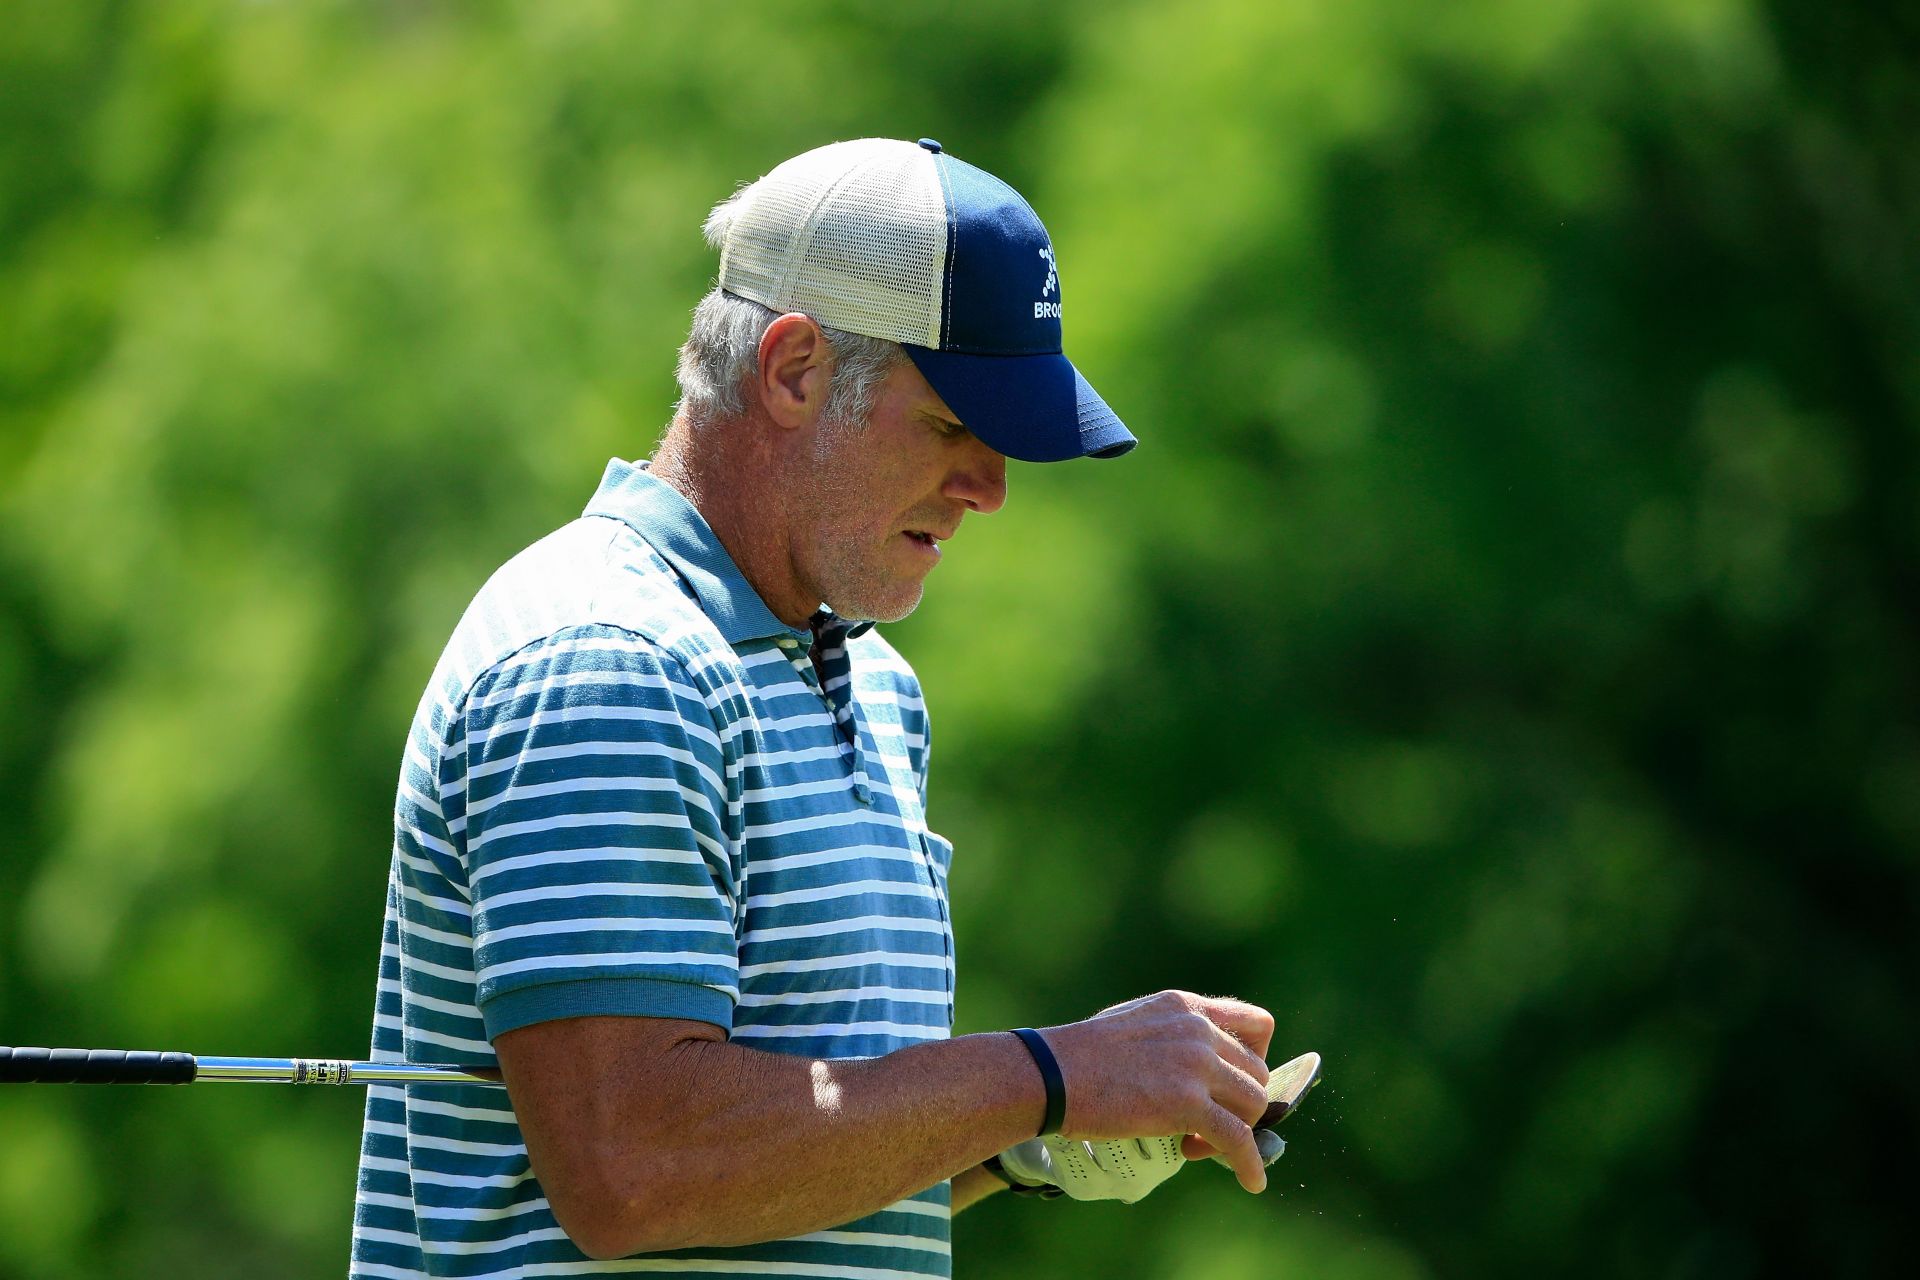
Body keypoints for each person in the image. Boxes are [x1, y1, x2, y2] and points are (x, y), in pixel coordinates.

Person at [350, 138, 1278, 1280]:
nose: (990, 487)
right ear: (792, 370)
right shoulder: (608, 660)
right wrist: (1048, 1072)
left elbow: (805, 1153)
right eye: (951, 425)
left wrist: (1041, 1139)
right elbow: (635, 1166)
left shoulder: (876, 685)